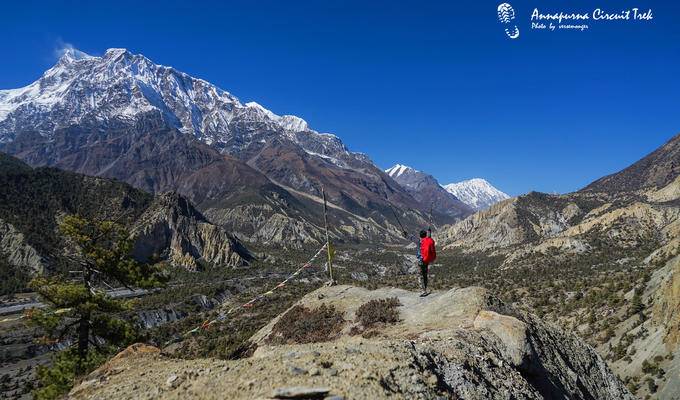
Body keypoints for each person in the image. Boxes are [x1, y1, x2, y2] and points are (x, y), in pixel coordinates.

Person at [417, 229, 436, 296]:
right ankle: (425, 289)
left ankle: (423, 291)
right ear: (426, 235)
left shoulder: (419, 241)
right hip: (426, 260)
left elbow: (411, 238)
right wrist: (429, 231)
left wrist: (405, 234)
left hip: (420, 260)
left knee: (420, 275)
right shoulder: (428, 240)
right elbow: (429, 237)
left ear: (420, 235)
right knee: (425, 275)